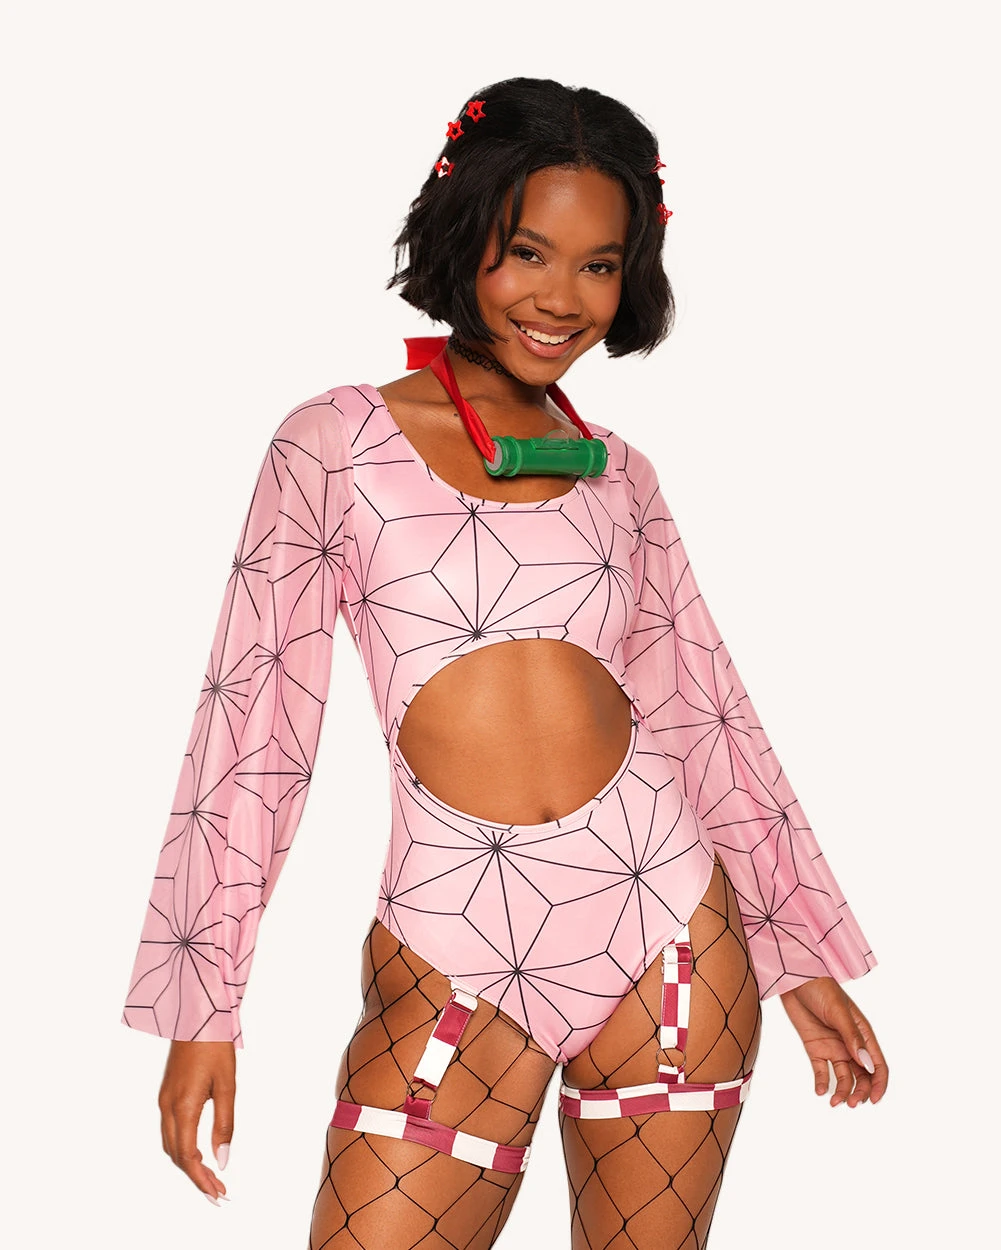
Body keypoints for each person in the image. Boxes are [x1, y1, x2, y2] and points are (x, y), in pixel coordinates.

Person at [121, 76, 888, 1248]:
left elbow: (704, 712)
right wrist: (204, 1006)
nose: (561, 297)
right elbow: (253, 729)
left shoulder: (617, 472)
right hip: (452, 944)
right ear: (464, 228)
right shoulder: (333, 446)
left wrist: (795, 956)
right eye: (528, 251)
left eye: (598, 264)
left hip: (669, 932)